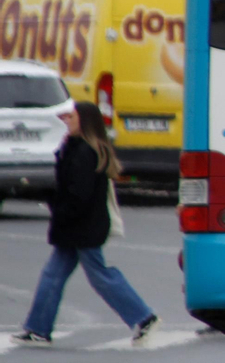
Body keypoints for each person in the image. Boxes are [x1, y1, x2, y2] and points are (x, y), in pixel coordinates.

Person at [10, 101, 161, 347]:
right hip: (79, 226)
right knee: (54, 274)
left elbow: (79, 194)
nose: (67, 120)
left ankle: (144, 318)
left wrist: (60, 211)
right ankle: (38, 329)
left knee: (99, 276)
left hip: (82, 227)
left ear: (84, 121)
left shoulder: (85, 152)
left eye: (72, 117)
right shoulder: (79, 147)